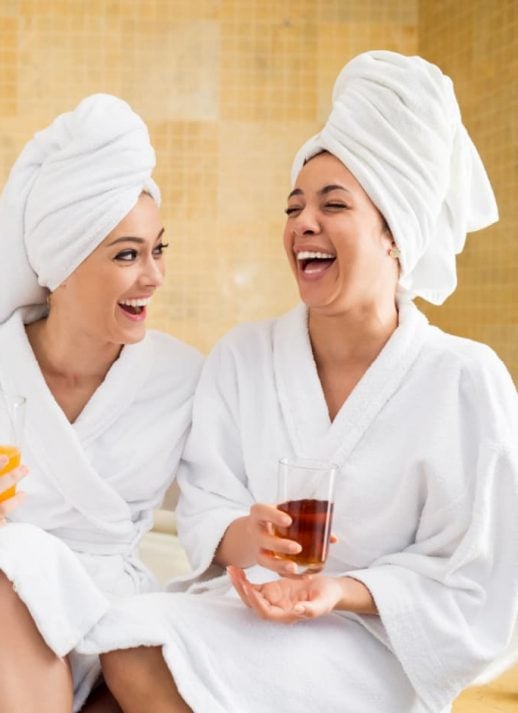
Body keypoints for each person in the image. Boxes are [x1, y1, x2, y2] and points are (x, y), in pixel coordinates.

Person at [79, 51, 518, 713]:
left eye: (332, 204)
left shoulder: (464, 380)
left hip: (372, 642)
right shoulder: (243, 357)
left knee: (130, 649)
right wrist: (249, 537)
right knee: (105, 664)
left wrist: (342, 591)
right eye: (294, 205)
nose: (302, 223)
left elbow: (483, 582)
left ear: (395, 234)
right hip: (246, 613)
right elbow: (202, 509)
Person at [0, 94, 203, 713]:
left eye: (158, 249)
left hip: (105, 610)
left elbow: (218, 508)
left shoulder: (180, 377)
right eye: (127, 254)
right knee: (10, 568)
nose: (153, 276)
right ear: (62, 265)